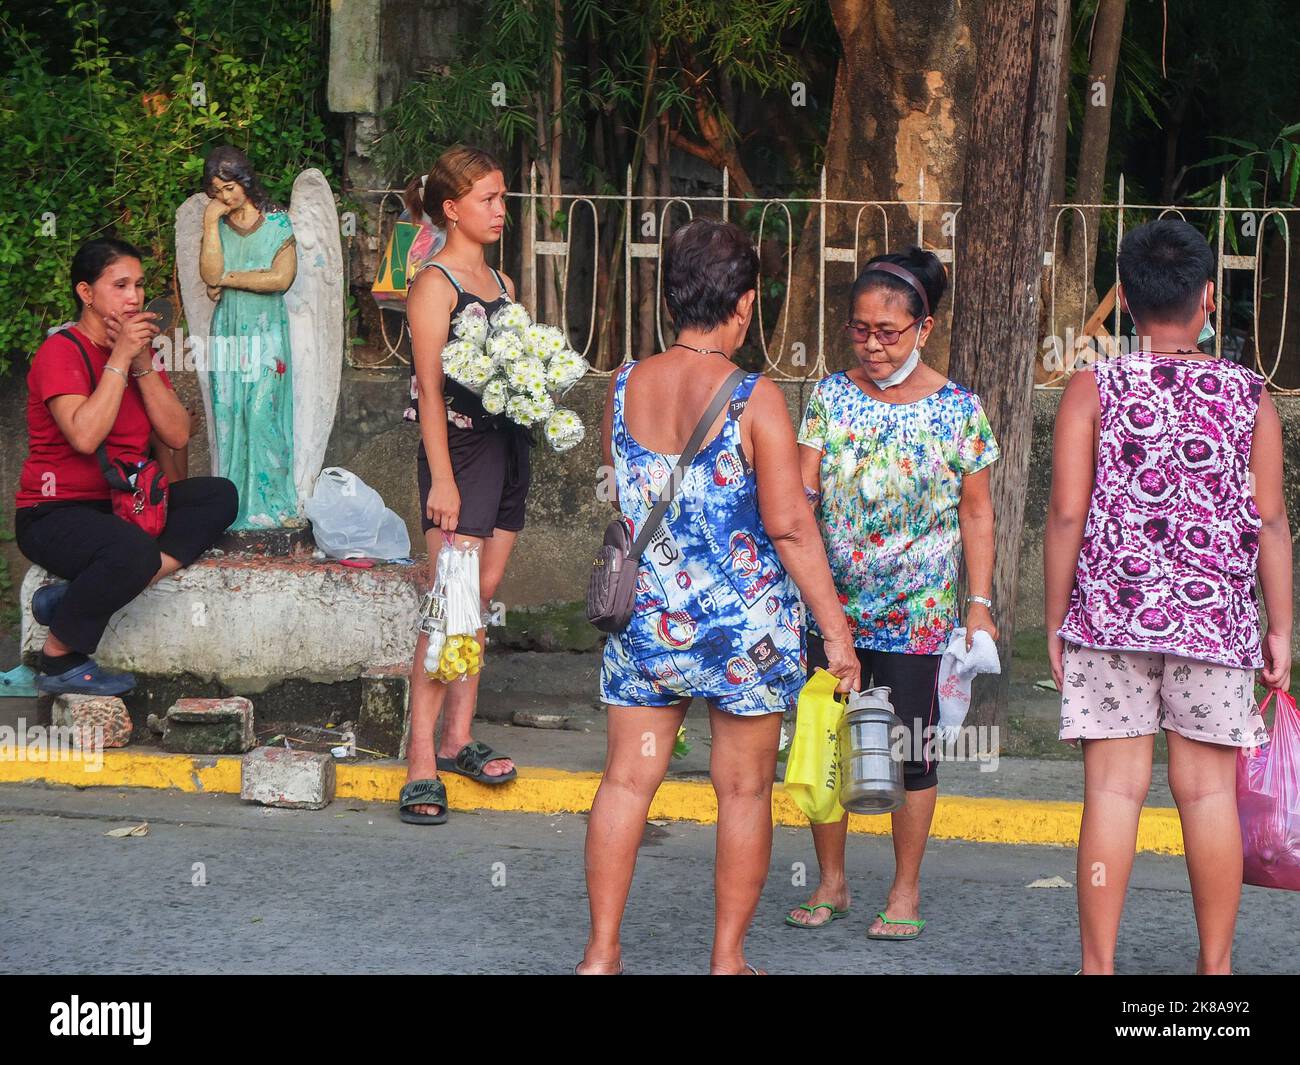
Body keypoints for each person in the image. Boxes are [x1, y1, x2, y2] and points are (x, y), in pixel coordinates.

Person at [577, 219, 861, 975]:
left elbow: (631, 497)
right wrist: (834, 632)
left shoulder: (623, 384)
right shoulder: (754, 398)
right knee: (742, 793)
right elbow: (790, 525)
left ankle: (602, 953)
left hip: (647, 625)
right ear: (741, 304)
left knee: (627, 781)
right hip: (745, 635)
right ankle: (727, 960)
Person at [1046, 218, 1292, 976]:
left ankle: (1098, 968)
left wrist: (1057, 620)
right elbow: (1272, 518)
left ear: (1122, 298)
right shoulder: (1252, 398)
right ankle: (1214, 970)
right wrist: (1281, 626)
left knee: (1113, 796)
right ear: (1209, 299)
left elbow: (1064, 514)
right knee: (1210, 796)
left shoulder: (1091, 387)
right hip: (1216, 624)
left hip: (1110, 618)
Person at [786, 247, 1000, 938]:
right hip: (833, 607)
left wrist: (979, 604)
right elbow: (804, 492)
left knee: (912, 749)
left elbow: (975, 513)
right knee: (829, 742)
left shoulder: (959, 409)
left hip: (919, 615)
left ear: (924, 328)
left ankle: (904, 890)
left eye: (889, 331)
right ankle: (833, 882)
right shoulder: (830, 395)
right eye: (860, 329)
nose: (873, 345)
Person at [15, 239, 238, 695]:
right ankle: (58, 659)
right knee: (130, 550)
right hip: (54, 512)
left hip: (123, 503)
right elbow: (84, 435)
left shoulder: (140, 354)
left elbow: (176, 434)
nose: (134, 297)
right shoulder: (62, 352)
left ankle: (72, 600)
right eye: (119, 285)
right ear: (86, 292)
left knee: (219, 496)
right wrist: (118, 359)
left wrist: (139, 362)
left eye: (137, 285)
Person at [398, 146, 524, 824]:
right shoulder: (435, 283)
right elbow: (429, 387)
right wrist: (442, 479)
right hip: (463, 453)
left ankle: (458, 737)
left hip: (507, 447)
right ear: (452, 208)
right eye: (489, 200)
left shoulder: (498, 280)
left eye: (502, 199)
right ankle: (420, 760)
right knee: (449, 604)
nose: (501, 211)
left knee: (478, 600)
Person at [200, 146, 298, 529]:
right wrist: (210, 225)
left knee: (262, 412)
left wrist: (227, 279)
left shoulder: (277, 224)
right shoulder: (219, 227)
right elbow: (207, 271)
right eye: (217, 191)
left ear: (245, 180)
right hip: (228, 330)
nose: (224, 197)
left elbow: (280, 279)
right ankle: (233, 507)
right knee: (230, 413)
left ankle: (272, 503)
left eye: (229, 187)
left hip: (266, 331)